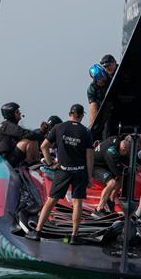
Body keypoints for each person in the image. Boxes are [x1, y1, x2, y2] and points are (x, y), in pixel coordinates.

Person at [27, 104, 93, 243]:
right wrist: (89, 176)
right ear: (81, 116)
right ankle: (74, 236)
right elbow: (89, 157)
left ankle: (37, 231)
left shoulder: (58, 128)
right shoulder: (86, 132)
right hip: (80, 171)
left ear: (70, 113)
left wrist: (50, 163)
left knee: (51, 201)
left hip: (62, 170)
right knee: (77, 202)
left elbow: (44, 146)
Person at [0, 102, 43, 167]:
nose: (20, 113)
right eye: (17, 112)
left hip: (3, 159)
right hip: (5, 160)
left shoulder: (6, 125)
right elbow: (26, 134)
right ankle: (33, 165)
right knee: (29, 139)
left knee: (31, 138)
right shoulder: (8, 126)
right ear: (11, 114)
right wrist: (44, 138)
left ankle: (32, 162)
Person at [92, 134, 131, 213]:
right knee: (112, 182)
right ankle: (99, 209)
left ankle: (111, 200)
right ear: (123, 149)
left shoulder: (116, 139)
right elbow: (117, 171)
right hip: (95, 166)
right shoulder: (112, 152)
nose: (128, 155)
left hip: (103, 163)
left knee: (122, 177)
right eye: (128, 152)